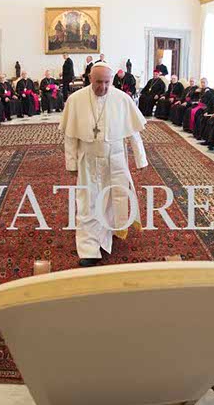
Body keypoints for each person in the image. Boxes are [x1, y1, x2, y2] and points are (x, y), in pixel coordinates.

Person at [60, 62, 148, 267]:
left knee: (114, 199)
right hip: (88, 160)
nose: (103, 87)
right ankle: (89, 248)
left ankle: (108, 232)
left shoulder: (122, 98)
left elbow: (133, 133)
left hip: (115, 158)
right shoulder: (76, 99)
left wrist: (140, 159)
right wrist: (71, 163)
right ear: (90, 79)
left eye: (107, 82)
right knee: (87, 202)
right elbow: (70, 136)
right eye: (99, 82)